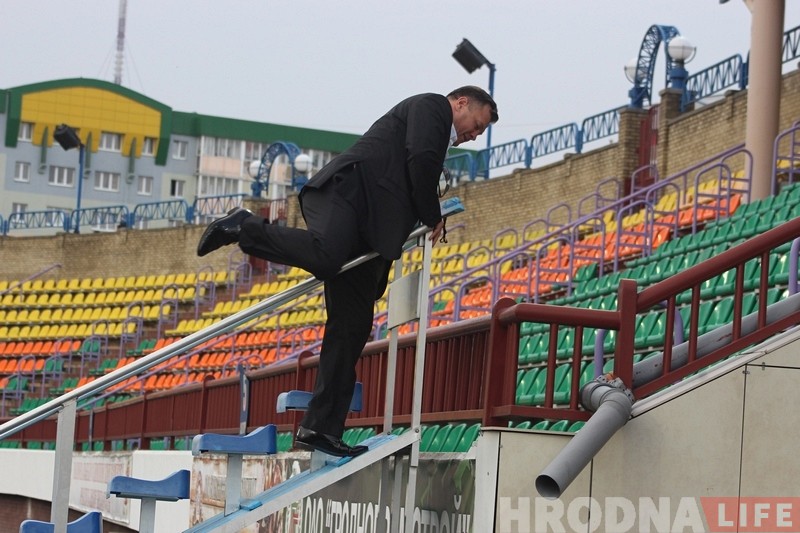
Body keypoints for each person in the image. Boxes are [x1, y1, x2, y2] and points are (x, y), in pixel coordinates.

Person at [197, 86, 498, 456]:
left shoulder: (436, 140)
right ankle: (244, 225)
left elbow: (411, 176)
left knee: (352, 327)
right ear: (461, 103)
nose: (474, 135)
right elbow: (419, 159)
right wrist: (432, 214)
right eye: (477, 125)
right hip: (345, 194)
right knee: (326, 256)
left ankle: (320, 428)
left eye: (480, 133)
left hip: (366, 231)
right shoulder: (433, 106)